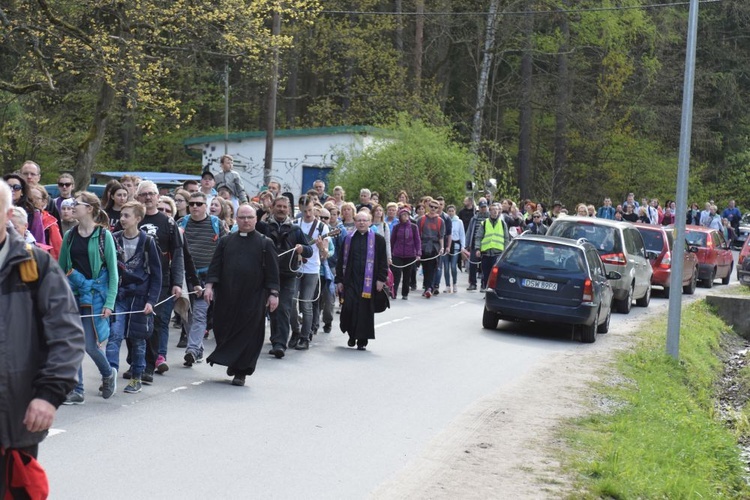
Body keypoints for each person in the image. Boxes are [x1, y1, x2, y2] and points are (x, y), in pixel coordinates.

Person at [0, 180, 84, 498]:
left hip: (15, 417)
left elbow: (66, 333)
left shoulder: (35, 266)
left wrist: (49, 394)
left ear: (8, 215)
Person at [204, 205, 280, 386]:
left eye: (249, 217)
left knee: (249, 334)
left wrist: (273, 294)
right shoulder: (226, 241)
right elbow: (215, 266)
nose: (246, 221)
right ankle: (233, 361)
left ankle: (241, 371)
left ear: (256, 219)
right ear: (236, 219)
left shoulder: (265, 243)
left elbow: (273, 273)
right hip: (226, 296)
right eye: (242, 217)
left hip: (253, 297)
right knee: (223, 329)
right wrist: (209, 286)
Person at [58, 191, 119, 403]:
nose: (72, 206)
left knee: (90, 345)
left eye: (76, 203)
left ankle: (108, 373)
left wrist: (110, 303)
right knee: (73, 343)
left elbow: (113, 272)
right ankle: (78, 390)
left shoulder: (104, 236)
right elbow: (61, 269)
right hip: (74, 294)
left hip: (96, 295)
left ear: (89, 208)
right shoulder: (70, 236)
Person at [130, 181, 185, 380]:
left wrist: (177, 282)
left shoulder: (168, 222)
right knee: (133, 322)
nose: (148, 197)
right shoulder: (132, 218)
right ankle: (135, 362)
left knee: (153, 321)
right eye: (144, 194)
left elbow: (177, 255)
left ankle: (149, 366)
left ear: (157, 196)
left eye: (152, 193)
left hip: (160, 279)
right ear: (138, 197)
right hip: (134, 279)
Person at [107, 201, 162, 394]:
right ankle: (110, 375)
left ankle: (136, 376)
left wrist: (151, 301)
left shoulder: (147, 242)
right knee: (114, 335)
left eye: (127, 215)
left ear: (138, 219)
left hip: (140, 297)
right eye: (121, 215)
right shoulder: (113, 239)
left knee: (138, 339)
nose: (122, 219)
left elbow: (157, 274)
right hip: (120, 295)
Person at [258, 196, 312, 358]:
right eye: (279, 206)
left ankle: (279, 344)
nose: (281, 209)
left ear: (289, 209)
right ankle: (268, 340)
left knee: (283, 309)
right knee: (265, 309)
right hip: (265, 274)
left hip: (288, 275)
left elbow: (309, 250)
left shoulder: (296, 230)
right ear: (273, 207)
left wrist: (302, 248)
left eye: (284, 207)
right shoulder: (263, 227)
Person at [179, 191, 226, 367]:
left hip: (207, 277)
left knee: (199, 313)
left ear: (206, 206)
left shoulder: (216, 224)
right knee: (185, 313)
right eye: (191, 204)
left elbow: (224, 248)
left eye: (199, 204)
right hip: (185, 276)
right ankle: (197, 348)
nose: (195, 207)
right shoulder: (181, 224)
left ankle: (191, 350)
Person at [336, 211, 388, 350]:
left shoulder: (378, 240)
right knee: (349, 307)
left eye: (364, 220)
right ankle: (352, 335)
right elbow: (341, 261)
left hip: (369, 282)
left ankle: (362, 340)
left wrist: (381, 279)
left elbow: (383, 261)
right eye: (359, 220)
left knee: (364, 311)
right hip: (351, 280)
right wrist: (339, 280)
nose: (361, 223)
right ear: (354, 222)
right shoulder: (348, 239)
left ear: (370, 222)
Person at [289, 198, 329, 350]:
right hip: (296, 268)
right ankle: (295, 331)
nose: (307, 213)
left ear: (314, 209)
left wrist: (321, 246)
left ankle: (305, 337)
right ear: (300, 209)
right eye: (304, 210)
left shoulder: (321, 227)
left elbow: (325, 254)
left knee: (306, 303)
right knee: (292, 302)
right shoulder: (295, 225)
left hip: (312, 269)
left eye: (310, 210)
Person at [474, 203, 508, 292]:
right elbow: (478, 237)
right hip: (486, 253)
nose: (495, 212)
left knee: (495, 275)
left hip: (497, 253)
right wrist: (478, 248)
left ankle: (493, 290)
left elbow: (506, 238)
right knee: (486, 274)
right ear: (490, 211)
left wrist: (505, 251)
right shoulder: (484, 223)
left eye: (496, 210)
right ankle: (486, 289)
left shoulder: (502, 223)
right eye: (493, 210)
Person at [390, 207, 421, 299]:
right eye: (403, 215)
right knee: (396, 273)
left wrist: (418, 253)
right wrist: (390, 253)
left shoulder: (413, 227)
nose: (405, 217)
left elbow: (417, 241)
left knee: (407, 275)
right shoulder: (396, 227)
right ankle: (394, 292)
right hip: (397, 254)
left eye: (406, 215)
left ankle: (405, 293)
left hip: (410, 254)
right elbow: (392, 240)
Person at [418, 198, 446, 298]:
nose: (433, 209)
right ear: (428, 207)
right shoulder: (422, 219)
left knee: (434, 267)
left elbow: (441, 236)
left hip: (435, 247)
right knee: (426, 268)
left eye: (435, 207)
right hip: (424, 246)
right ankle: (427, 287)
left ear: (438, 208)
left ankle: (429, 288)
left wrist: (442, 248)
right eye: (431, 206)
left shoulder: (440, 221)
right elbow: (418, 235)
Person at [464, 199, 489, 291]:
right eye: (481, 207)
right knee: (472, 264)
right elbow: (469, 231)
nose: (483, 209)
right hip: (475, 244)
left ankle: (483, 284)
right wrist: (467, 244)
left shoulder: (490, 219)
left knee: (484, 266)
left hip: (486, 245)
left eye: (484, 207)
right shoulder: (474, 218)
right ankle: (472, 283)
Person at [443, 204, 465, 293]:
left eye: (452, 211)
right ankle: (447, 285)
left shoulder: (459, 222)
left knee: (453, 266)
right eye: (449, 211)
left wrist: (463, 246)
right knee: (446, 267)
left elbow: (462, 234)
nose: (451, 213)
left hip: (455, 245)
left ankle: (454, 283)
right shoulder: (444, 220)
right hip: (446, 245)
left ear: (455, 211)